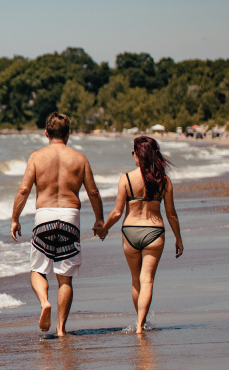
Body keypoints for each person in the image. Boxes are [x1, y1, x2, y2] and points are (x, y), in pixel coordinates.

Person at [10, 112, 104, 336]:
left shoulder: (36, 157)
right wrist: (100, 220)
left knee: (37, 270)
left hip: (44, 216)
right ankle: (61, 329)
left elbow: (24, 189)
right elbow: (93, 191)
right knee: (65, 277)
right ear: (68, 134)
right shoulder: (79, 158)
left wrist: (15, 218)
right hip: (70, 217)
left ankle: (44, 303)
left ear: (46, 133)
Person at [97, 136, 183, 333]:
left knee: (136, 279)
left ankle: (140, 323)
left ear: (139, 154)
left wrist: (104, 229)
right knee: (147, 280)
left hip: (130, 232)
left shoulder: (126, 178)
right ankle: (140, 326)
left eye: (133, 152)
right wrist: (178, 238)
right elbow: (171, 214)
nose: (133, 155)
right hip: (155, 231)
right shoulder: (164, 181)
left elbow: (117, 212)